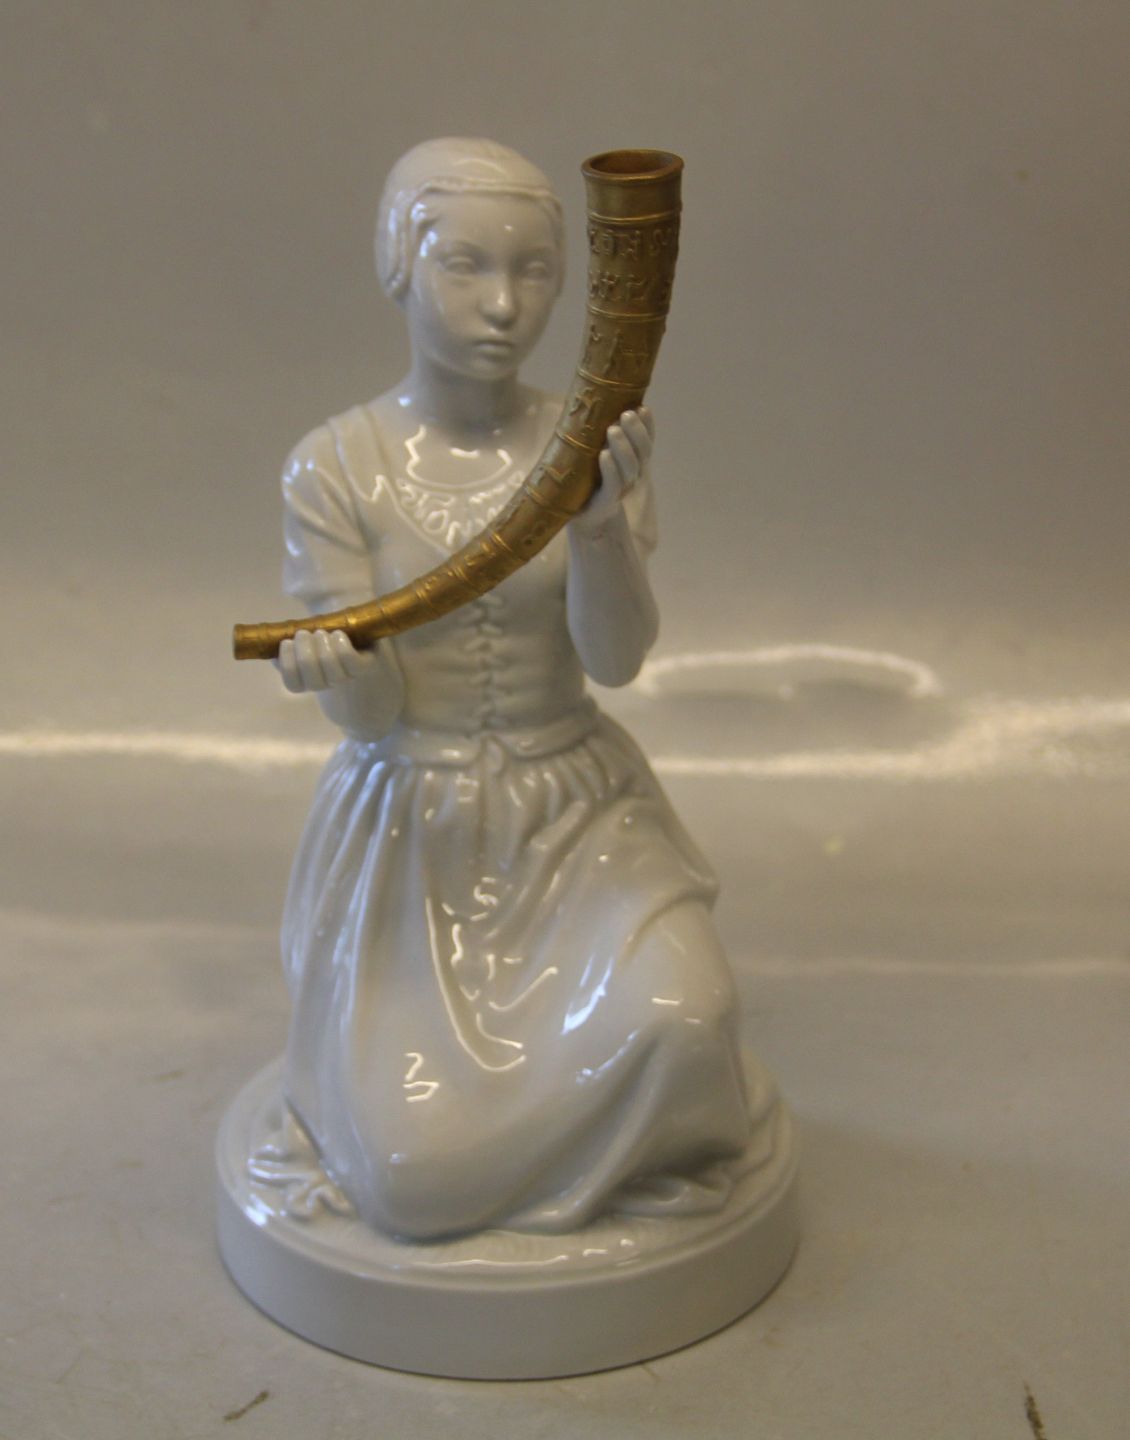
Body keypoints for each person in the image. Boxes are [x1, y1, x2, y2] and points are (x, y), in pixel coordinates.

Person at [272, 138, 756, 1241]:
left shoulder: (586, 444)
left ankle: (630, 1148)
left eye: (534, 271)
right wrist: (340, 671)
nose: (503, 304)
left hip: (578, 819)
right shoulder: (335, 467)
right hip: (416, 836)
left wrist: (600, 530)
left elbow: (616, 661)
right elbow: (372, 716)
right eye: (465, 264)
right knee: (410, 1175)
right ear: (399, 265)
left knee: (685, 1022)